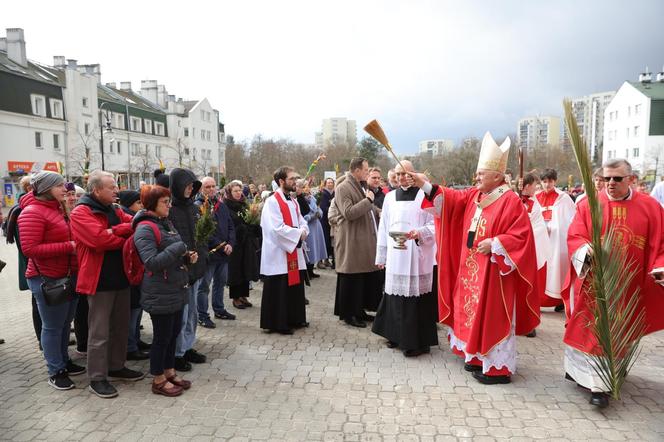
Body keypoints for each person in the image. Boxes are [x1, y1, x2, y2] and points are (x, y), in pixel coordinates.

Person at [412, 132, 540, 385]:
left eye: (481, 174)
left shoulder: (510, 201)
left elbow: (522, 236)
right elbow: (450, 200)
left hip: (494, 273)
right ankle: (476, 356)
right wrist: (425, 185)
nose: (477, 177)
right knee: (469, 311)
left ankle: (498, 369)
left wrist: (495, 243)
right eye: (478, 173)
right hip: (471, 269)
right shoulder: (475, 195)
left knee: (491, 316)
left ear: (497, 176)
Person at [563, 158, 664, 408]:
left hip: (629, 285)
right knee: (591, 331)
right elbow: (576, 234)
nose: (610, 183)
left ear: (632, 179)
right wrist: (585, 250)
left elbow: (661, 243)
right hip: (596, 283)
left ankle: (606, 380)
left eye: (617, 178)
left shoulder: (651, 207)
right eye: (606, 178)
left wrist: (660, 267)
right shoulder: (590, 205)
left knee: (618, 333)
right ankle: (593, 382)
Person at [70, 170, 144, 398]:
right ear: (96, 190)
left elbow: (135, 227)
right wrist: (118, 233)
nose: (116, 190)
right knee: (99, 332)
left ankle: (116, 366)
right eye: (111, 187)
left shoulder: (114, 209)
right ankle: (97, 377)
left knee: (121, 327)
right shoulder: (81, 212)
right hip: (98, 281)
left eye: (116, 186)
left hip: (121, 277)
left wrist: (116, 230)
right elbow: (98, 240)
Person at [18, 171, 85, 390]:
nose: (65, 189)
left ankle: (64, 360)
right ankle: (55, 370)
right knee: (53, 327)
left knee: (66, 323)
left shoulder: (58, 208)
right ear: (46, 189)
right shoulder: (32, 212)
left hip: (67, 275)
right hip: (47, 278)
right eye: (59, 186)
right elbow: (30, 249)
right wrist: (70, 247)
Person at [372, 161, 438, 357]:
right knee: (395, 296)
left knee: (416, 299)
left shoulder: (424, 196)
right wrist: (381, 255)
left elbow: (435, 224)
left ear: (413, 174)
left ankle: (417, 342)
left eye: (405, 173)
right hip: (395, 253)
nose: (401, 177)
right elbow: (383, 227)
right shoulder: (390, 197)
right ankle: (395, 335)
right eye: (398, 174)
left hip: (416, 255)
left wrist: (420, 233)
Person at [133, 185, 193, 397]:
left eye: (169, 201)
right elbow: (151, 262)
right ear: (152, 204)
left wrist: (186, 257)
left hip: (175, 288)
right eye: (164, 202)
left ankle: (169, 371)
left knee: (173, 334)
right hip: (159, 291)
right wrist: (178, 249)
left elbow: (172, 251)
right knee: (162, 337)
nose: (169, 206)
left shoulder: (165, 222)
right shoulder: (145, 228)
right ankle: (158, 379)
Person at [331, 157, 381, 328]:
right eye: (366, 170)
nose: (367, 173)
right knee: (351, 278)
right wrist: (368, 201)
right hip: (351, 241)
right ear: (357, 170)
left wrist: (379, 211)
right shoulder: (343, 187)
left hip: (360, 241)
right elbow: (349, 212)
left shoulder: (359, 185)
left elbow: (367, 207)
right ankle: (349, 314)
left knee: (360, 279)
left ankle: (359, 310)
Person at [259, 166, 309, 335]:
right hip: (278, 254)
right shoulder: (272, 202)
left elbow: (302, 221)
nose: (295, 181)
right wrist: (298, 234)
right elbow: (276, 229)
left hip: (293, 250)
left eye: (296, 178)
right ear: (281, 181)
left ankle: (294, 318)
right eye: (291, 179)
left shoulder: (293, 201)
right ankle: (278, 323)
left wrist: (303, 230)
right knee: (280, 288)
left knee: (294, 285)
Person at [168, 168, 208, 371]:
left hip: (196, 268)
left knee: (192, 314)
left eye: (193, 186)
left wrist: (203, 256)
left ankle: (187, 346)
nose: (191, 189)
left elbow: (201, 236)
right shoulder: (169, 210)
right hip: (181, 270)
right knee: (182, 315)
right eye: (188, 185)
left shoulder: (194, 208)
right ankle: (177, 353)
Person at [195, 177, 235, 328]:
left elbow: (231, 226)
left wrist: (230, 243)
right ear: (201, 189)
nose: (211, 189)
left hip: (224, 253)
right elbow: (204, 231)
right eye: (207, 187)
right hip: (210, 253)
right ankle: (202, 315)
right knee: (204, 286)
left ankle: (219, 309)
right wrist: (220, 244)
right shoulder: (198, 206)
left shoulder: (221, 205)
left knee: (220, 283)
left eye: (213, 186)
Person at [535, 168, 576, 310]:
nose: (547, 184)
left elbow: (570, 220)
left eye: (550, 181)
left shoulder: (563, 198)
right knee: (540, 269)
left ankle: (558, 301)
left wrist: (553, 227)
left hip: (557, 242)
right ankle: (538, 300)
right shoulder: (535, 197)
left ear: (555, 181)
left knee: (557, 269)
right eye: (545, 181)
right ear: (541, 182)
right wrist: (541, 228)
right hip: (541, 240)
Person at [118, 190, 150, 361]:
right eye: (138, 202)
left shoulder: (135, 217)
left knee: (138, 309)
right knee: (132, 312)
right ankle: (130, 346)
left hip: (138, 272)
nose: (142, 205)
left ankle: (136, 340)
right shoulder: (130, 218)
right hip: (131, 273)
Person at [519, 173, 552, 337]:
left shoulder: (534, 204)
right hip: (514, 252)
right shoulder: (513, 199)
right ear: (525, 186)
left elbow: (538, 227)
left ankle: (529, 323)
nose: (537, 188)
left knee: (529, 289)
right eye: (534, 185)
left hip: (530, 251)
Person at [225, 181, 261, 309]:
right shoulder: (226, 205)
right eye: (235, 191)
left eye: (240, 190)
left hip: (246, 242)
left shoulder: (244, 204)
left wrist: (252, 224)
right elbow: (228, 224)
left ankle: (244, 296)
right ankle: (235, 297)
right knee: (236, 270)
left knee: (246, 268)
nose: (238, 193)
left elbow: (250, 218)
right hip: (234, 243)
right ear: (230, 192)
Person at [296, 180, 327, 279]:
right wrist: (311, 217)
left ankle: (311, 269)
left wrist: (319, 213)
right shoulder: (299, 200)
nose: (307, 189)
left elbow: (318, 208)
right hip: (308, 226)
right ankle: (306, 272)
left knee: (315, 248)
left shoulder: (312, 197)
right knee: (309, 248)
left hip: (316, 226)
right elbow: (302, 215)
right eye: (304, 187)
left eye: (307, 187)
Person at [318, 178, 335, 269]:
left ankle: (327, 259)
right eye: (328, 183)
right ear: (325, 184)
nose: (330, 184)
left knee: (330, 240)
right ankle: (322, 259)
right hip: (324, 220)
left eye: (331, 182)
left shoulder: (334, 193)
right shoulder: (323, 194)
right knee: (324, 240)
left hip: (331, 222)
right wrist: (333, 210)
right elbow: (323, 207)